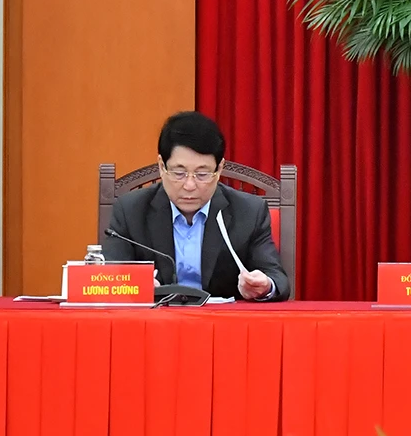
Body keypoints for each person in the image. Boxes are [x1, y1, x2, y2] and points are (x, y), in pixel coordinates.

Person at [103, 111, 290, 301]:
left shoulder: (249, 212)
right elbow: (110, 277)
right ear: (161, 166)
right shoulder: (130, 210)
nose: (189, 185)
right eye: (178, 173)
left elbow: (276, 278)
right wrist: (132, 285)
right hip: (155, 323)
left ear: (219, 169)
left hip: (222, 325)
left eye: (202, 174)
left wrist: (265, 286)